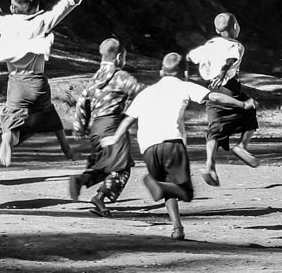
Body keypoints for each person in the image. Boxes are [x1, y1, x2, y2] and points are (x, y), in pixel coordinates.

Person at [101, 53, 255, 240]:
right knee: (185, 192)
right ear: (185, 72)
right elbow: (215, 96)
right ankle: (156, 185)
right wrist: (242, 104)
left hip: (148, 148)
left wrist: (114, 139)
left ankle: (177, 228)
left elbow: (127, 120)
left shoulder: (146, 93)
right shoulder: (183, 86)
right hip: (171, 144)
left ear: (161, 72)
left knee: (168, 190)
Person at [0, 0, 109, 167]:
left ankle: (7, 139)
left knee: (10, 118)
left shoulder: (6, 23)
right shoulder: (42, 21)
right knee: (49, 114)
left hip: (16, 83)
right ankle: (66, 147)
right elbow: (66, 4)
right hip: (38, 83)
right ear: (36, 7)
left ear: (12, 7)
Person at [70, 38, 143, 216]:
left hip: (96, 128)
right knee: (122, 167)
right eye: (124, 57)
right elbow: (142, 93)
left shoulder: (95, 77)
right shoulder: (121, 76)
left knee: (107, 165)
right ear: (119, 57)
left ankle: (82, 180)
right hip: (112, 124)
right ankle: (100, 198)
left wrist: (79, 126)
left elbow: (82, 100)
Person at [187, 12, 259, 187]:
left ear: (217, 30)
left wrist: (188, 74)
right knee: (250, 112)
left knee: (215, 128)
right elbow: (231, 57)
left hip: (211, 89)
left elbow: (190, 57)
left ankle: (210, 165)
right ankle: (242, 145)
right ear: (235, 27)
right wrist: (223, 70)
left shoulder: (209, 44)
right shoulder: (237, 45)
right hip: (229, 86)